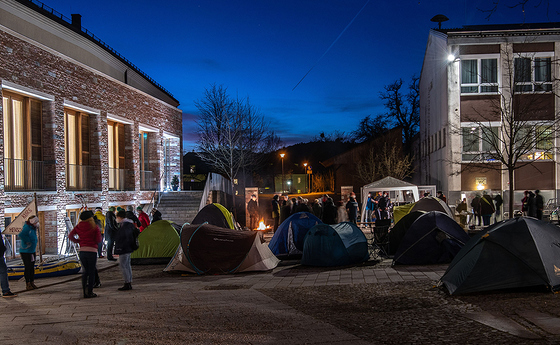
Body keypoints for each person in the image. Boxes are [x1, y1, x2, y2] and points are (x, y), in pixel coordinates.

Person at [69, 210, 102, 298]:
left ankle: (84, 291)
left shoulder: (79, 226)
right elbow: (99, 239)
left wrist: (79, 241)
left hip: (82, 251)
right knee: (91, 272)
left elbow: (70, 235)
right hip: (92, 250)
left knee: (85, 271)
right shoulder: (94, 226)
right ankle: (90, 291)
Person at [114, 210, 138, 291]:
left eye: (117, 217)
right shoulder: (129, 224)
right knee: (127, 265)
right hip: (128, 247)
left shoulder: (125, 226)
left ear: (120, 217)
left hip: (124, 248)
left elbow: (124, 237)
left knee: (123, 265)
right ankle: (128, 281)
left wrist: (119, 247)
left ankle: (127, 282)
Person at [19, 215, 39, 290]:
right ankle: (28, 284)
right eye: (36, 222)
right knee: (28, 267)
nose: (37, 223)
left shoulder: (33, 228)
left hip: (31, 251)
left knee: (32, 267)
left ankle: (32, 282)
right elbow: (21, 235)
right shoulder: (27, 228)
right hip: (26, 251)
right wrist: (28, 241)